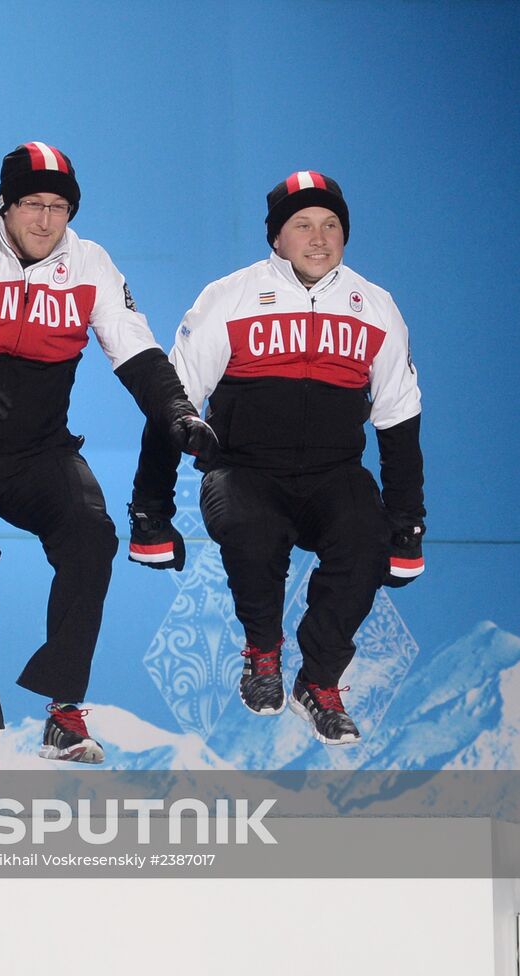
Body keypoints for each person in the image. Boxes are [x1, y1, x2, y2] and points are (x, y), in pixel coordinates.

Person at [0, 142, 215, 782]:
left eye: (59, 207)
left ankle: (65, 716)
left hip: (36, 451)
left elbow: (138, 353)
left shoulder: (89, 263)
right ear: (3, 205)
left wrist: (178, 411)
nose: (45, 221)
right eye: (32, 205)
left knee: (91, 535)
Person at [130, 171, 424, 745]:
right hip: (243, 470)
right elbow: (174, 403)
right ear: (277, 237)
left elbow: (399, 416)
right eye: (304, 225)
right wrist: (151, 511)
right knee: (251, 525)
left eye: (332, 225)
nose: (320, 238)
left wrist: (408, 523)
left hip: (335, 474)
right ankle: (263, 652)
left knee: (366, 535)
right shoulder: (228, 296)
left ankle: (318, 682)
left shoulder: (377, 307)